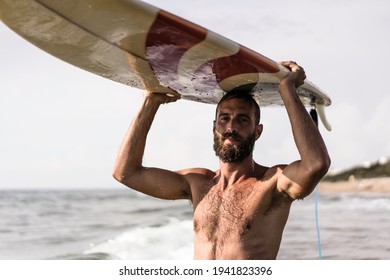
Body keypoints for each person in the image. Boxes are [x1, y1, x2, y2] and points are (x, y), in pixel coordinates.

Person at [112, 61, 331, 260]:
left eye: (242, 120)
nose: (231, 128)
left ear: (258, 131)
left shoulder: (273, 183)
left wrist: (287, 90)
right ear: (214, 126)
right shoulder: (197, 183)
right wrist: (150, 102)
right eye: (224, 119)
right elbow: (126, 173)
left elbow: (315, 164)